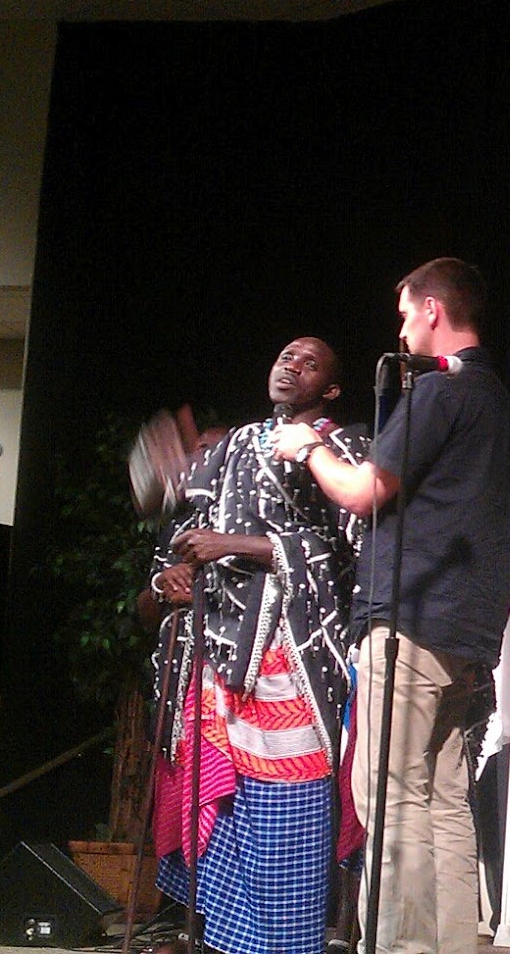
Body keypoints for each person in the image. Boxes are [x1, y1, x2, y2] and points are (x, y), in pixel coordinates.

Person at [271, 259, 510, 954]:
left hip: (414, 622)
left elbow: (364, 491)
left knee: (389, 793)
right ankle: (454, 943)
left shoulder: (441, 390)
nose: (403, 328)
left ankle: (403, 947)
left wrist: (310, 447)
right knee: (442, 796)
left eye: (408, 312)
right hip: (468, 634)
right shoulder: (499, 402)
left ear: (434, 310)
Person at [148, 337, 367, 954]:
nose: (290, 365)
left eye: (309, 363)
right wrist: (174, 571)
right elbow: (188, 530)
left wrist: (235, 546)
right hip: (219, 659)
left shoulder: (341, 447)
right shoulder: (237, 443)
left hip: (292, 659)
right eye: (286, 356)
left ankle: (288, 943)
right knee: (223, 819)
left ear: (330, 389)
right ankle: (228, 941)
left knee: (287, 822)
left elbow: (345, 552)